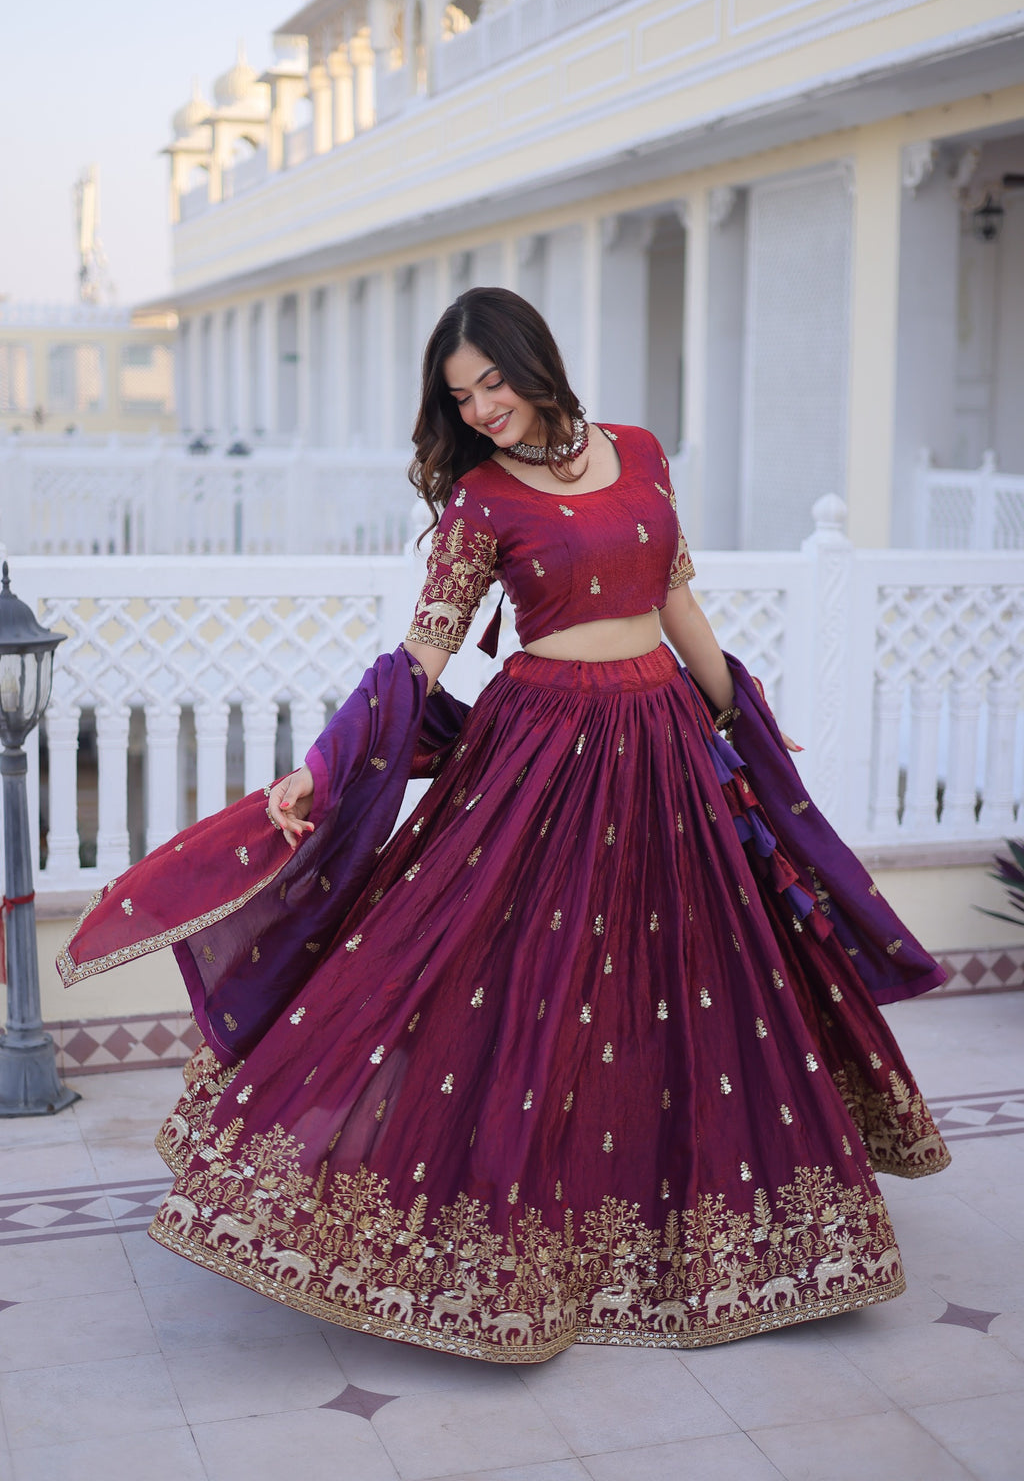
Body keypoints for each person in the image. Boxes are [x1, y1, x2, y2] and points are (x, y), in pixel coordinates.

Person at [60, 288, 949, 1364]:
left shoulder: (640, 451)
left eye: (492, 381)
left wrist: (739, 722)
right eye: (458, 395)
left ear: (537, 362)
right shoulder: (480, 500)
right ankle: (484, 1231)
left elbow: (675, 605)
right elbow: (424, 653)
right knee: (496, 967)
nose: (480, 408)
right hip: (540, 750)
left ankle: (677, 1233)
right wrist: (324, 764)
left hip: (663, 739)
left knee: (682, 978)